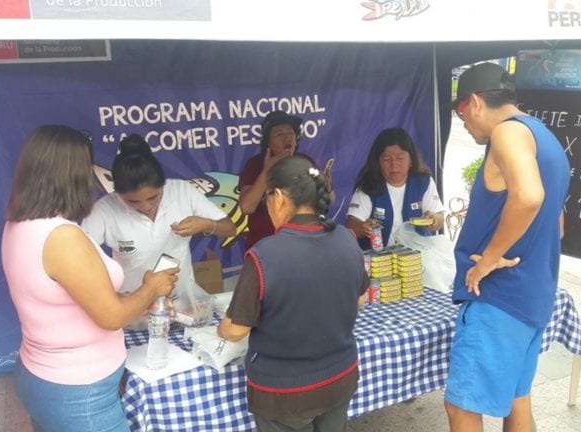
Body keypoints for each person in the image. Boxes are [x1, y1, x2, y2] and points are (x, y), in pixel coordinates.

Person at [1, 125, 179, 431]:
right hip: (78, 392)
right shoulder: (61, 236)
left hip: (45, 377)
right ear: (72, 174)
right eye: (85, 167)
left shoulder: (19, 224)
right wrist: (150, 289)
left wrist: (136, 302)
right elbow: (110, 316)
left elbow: (74, 301)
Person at [445, 62, 570, 432]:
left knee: (462, 407)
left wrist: (490, 258)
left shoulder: (507, 134)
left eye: (461, 112)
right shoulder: (545, 137)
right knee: (517, 400)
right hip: (533, 295)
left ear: (476, 102)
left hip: (498, 298)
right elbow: (557, 224)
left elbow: (530, 196)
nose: (463, 123)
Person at [218, 156, 368, 432]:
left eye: (267, 198)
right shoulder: (347, 238)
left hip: (285, 393)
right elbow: (360, 298)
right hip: (339, 378)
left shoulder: (265, 255)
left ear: (279, 197)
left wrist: (220, 329)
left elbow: (235, 330)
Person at [81, 134, 236, 326]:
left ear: (164, 185)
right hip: (134, 308)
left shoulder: (182, 192)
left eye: (154, 197)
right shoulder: (104, 210)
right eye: (133, 201)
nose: (146, 206)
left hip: (182, 304)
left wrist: (205, 224)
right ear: (117, 194)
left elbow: (230, 228)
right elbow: (81, 261)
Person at [346, 127, 445, 249]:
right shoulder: (368, 186)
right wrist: (363, 227)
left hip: (417, 258)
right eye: (387, 159)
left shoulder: (423, 182)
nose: (394, 165)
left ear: (411, 160)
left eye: (400, 158)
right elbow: (351, 225)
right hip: (379, 261)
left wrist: (434, 219)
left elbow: (440, 217)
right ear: (377, 162)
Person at [238, 110, 322, 251]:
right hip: (266, 248)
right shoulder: (255, 164)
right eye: (279, 134)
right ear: (268, 142)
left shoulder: (305, 162)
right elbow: (246, 207)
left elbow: (327, 199)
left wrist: (326, 186)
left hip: (304, 243)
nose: (287, 138)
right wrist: (267, 171)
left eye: (290, 133)